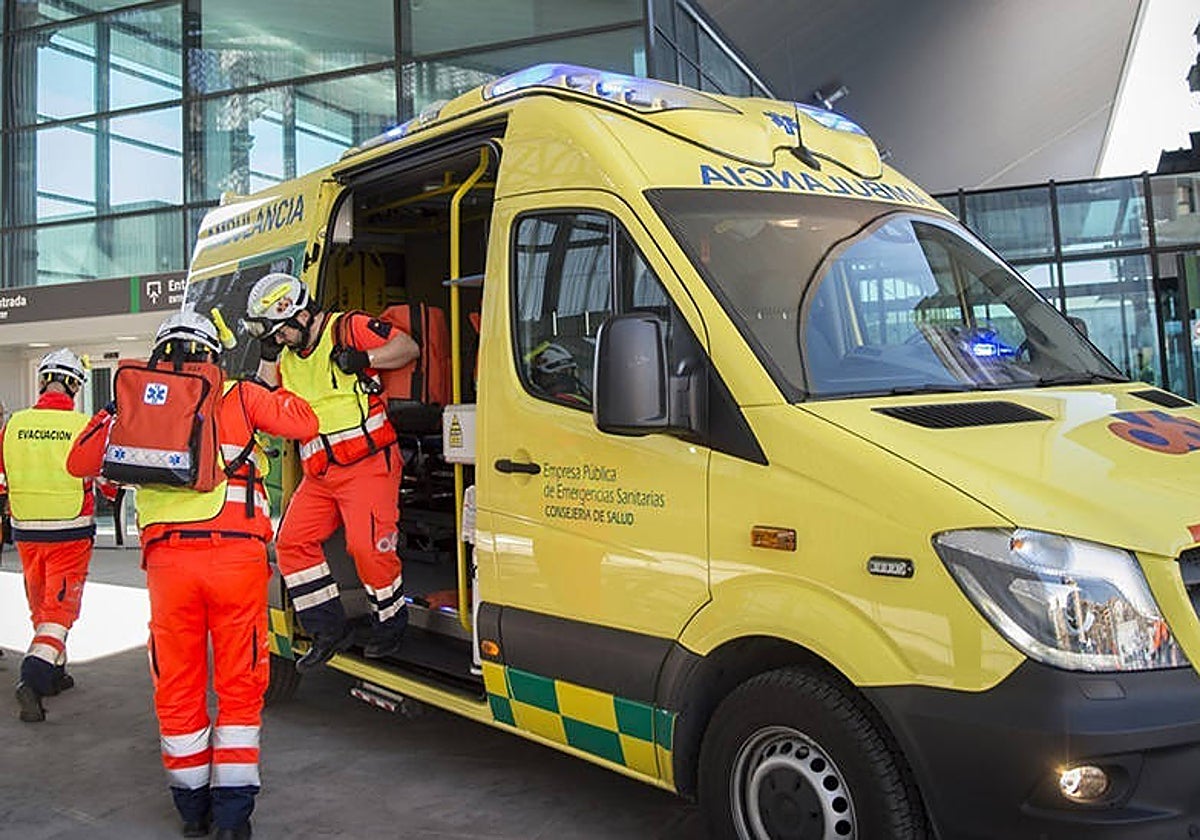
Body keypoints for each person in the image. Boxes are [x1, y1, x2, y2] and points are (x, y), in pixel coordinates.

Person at [68, 312, 318, 840]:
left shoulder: (135, 409)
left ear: (160, 356)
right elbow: (305, 424)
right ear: (214, 356)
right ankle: (232, 818)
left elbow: (79, 462)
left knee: (178, 685)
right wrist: (265, 382)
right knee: (239, 685)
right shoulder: (239, 398)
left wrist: (116, 407)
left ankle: (191, 810)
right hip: (236, 564)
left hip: (167, 567)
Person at [242, 272, 418, 672]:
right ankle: (328, 629)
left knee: (368, 547)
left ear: (300, 315)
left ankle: (390, 624)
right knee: (290, 543)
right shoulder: (286, 356)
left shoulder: (348, 328)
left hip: (369, 465)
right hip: (321, 472)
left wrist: (365, 359)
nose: (281, 340)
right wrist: (269, 355)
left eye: (280, 333)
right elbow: (264, 400)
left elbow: (408, 347)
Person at [0, 349, 98, 722]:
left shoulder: (14, 425)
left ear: (43, 381)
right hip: (70, 530)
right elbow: (101, 475)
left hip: (25, 530)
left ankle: (56, 672)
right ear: (74, 386)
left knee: (41, 604)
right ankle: (34, 677)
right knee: (60, 609)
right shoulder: (82, 426)